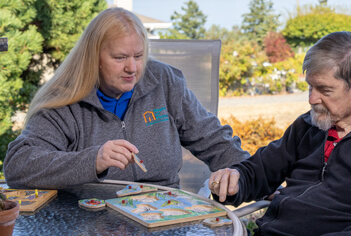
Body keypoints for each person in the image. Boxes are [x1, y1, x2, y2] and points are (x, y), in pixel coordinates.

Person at [3, 7, 249, 190]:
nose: (133, 68)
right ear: (94, 58)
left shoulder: (164, 81)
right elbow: (18, 165)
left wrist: (254, 176)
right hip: (91, 220)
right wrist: (93, 159)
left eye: (139, 56)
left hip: (165, 216)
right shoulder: (65, 100)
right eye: (120, 58)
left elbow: (213, 139)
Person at [209, 31, 351, 235]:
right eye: (310, 87)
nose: (312, 99)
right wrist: (234, 180)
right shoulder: (309, 126)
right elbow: (260, 171)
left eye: (324, 90)